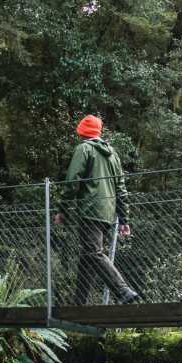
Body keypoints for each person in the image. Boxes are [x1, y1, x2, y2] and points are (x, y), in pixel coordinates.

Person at [60, 114, 141, 304]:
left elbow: (72, 181)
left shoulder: (84, 149)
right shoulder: (112, 154)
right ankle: (79, 305)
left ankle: (123, 291)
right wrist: (124, 219)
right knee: (87, 255)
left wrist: (62, 207)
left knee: (93, 252)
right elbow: (121, 189)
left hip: (90, 209)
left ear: (81, 132)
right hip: (107, 212)